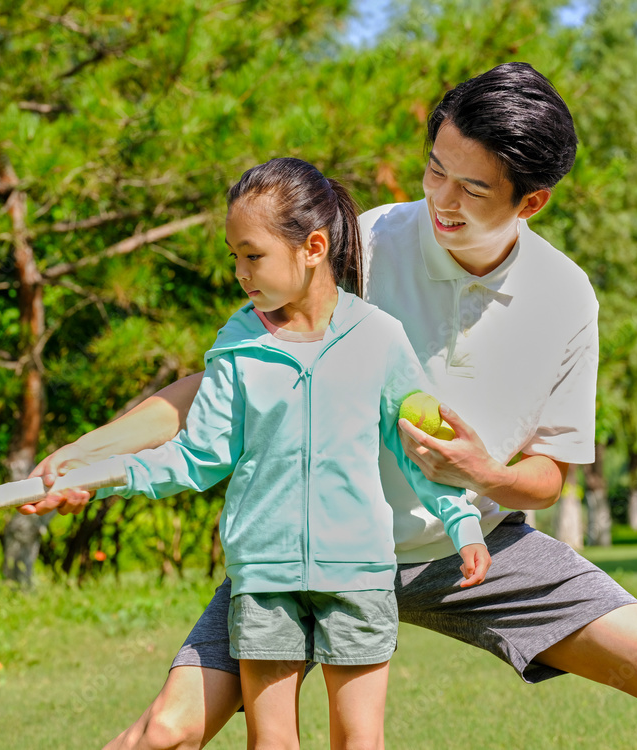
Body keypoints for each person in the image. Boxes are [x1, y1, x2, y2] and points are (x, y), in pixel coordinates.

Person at [22, 63, 637, 749]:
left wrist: (484, 474)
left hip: (472, 548)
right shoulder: (363, 244)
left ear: (531, 203)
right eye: (436, 170)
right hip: (309, 543)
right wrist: (93, 450)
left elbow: (550, 473)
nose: (443, 198)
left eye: (472, 187)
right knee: (164, 732)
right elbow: (227, 383)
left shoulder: (566, 298)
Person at [74, 157, 490, 749]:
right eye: (234, 257)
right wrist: (103, 475)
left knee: (358, 743)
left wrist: (462, 522)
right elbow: (197, 455)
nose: (241, 273)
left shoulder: (378, 337)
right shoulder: (238, 342)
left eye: (254, 255)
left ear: (313, 246)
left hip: (359, 576)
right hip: (264, 578)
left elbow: (419, 449)